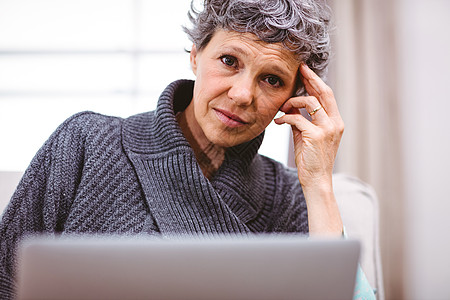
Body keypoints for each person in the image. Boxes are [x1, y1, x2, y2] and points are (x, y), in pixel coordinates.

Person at [0, 0, 375, 299]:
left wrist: (319, 183)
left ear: (294, 97)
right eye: (229, 61)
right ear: (196, 54)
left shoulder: (293, 199)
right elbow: (6, 277)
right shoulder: (85, 142)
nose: (243, 95)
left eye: (272, 79)